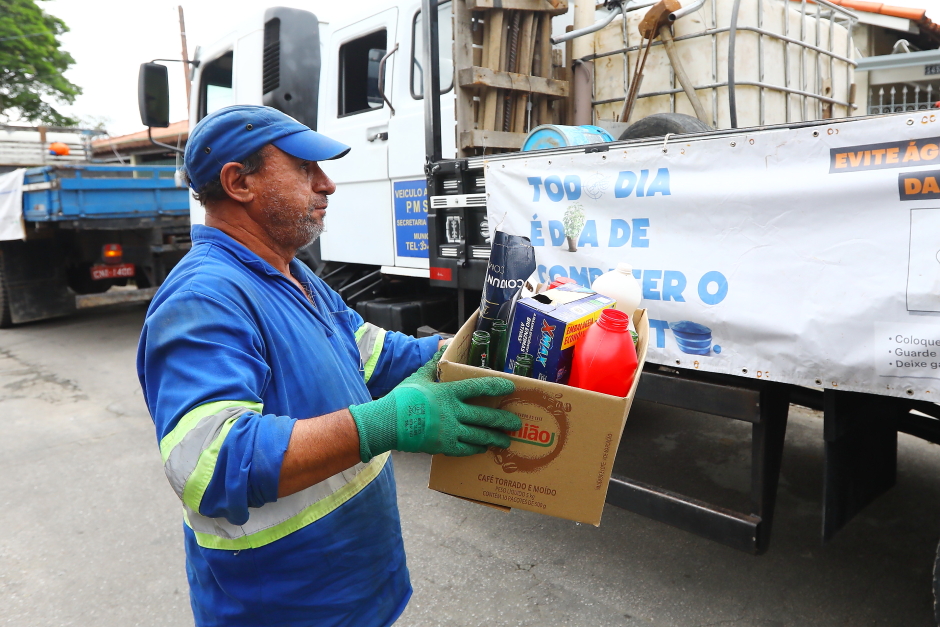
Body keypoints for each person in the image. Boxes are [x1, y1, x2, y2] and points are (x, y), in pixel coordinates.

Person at [136, 105, 521, 627]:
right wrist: (389, 422)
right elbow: (211, 466)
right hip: (282, 607)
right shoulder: (204, 297)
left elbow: (377, 356)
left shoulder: (293, 275)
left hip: (355, 590)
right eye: (303, 169)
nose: (328, 184)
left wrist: (474, 346)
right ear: (238, 182)